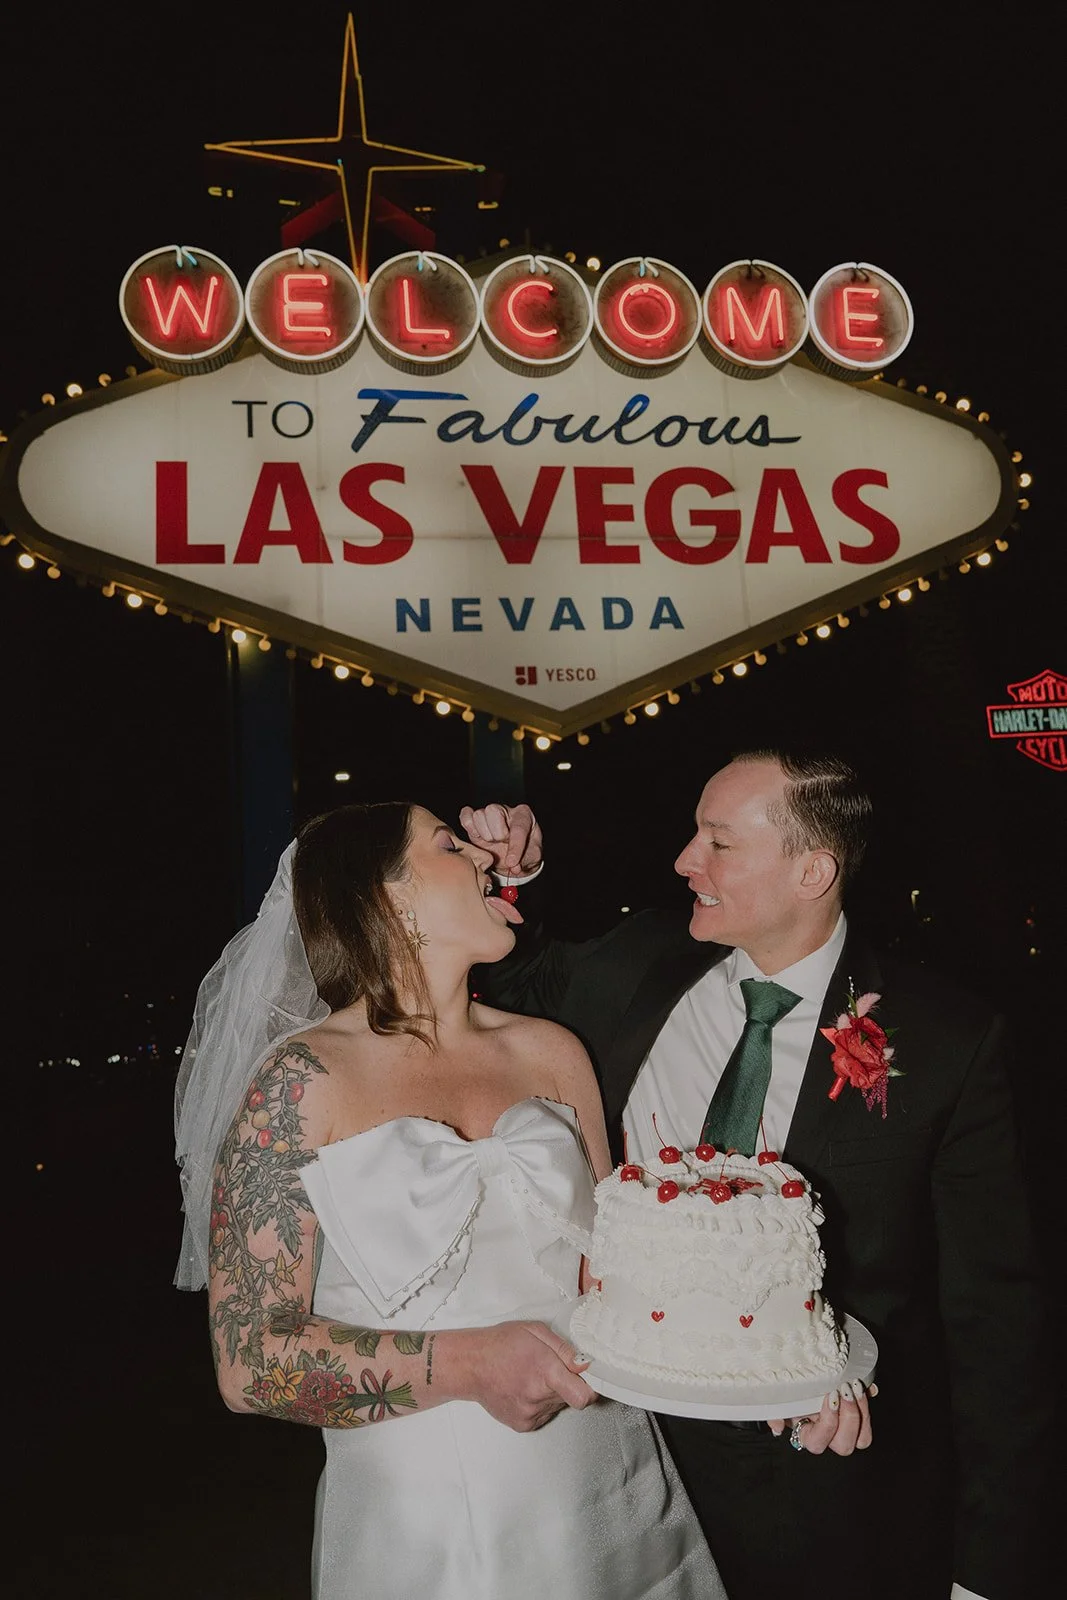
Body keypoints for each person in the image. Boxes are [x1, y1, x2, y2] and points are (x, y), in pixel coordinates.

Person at [462, 746, 1051, 1600]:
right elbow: (515, 981)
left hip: (823, 1489)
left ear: (812, 870)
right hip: (620, 1445)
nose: (683, 861)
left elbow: (995, 1315)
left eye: (717, 842)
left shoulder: (949, 1039)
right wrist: (514, 877)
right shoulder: (640, 961)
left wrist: (991, 1569)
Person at [173, 801, 725, 1600]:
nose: (485, 860)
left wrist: (766, 1369)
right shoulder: (299, 1083)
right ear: (386, 897)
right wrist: (472, 1364)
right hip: (424, 1522)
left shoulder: (551, 1051)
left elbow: (618, 1275)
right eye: (449, 844)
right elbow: (250, 1364)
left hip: (614, 1486)